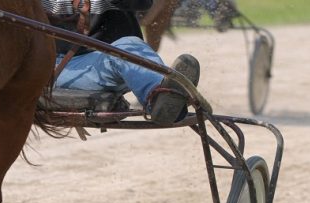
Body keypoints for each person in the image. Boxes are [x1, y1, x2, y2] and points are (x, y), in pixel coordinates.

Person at [42, 0, 200, 125]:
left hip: (112, 60)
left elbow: (143, 3)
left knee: (129, 46)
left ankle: (160, 97)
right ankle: (162, 93)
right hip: (53, 69)